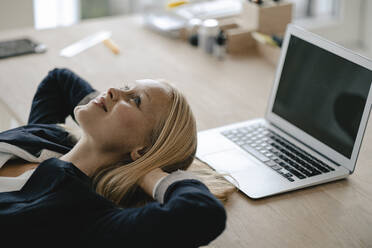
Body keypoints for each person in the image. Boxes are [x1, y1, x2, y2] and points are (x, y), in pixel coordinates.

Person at [0, 68, 234, 247]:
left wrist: (147, 172)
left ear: (141, 151)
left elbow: (200, 212)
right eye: (125, 87)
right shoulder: (50, 139)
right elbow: (58, 80)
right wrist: (102, 105)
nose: (112, 89)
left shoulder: (81, 216)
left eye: (136, 100)